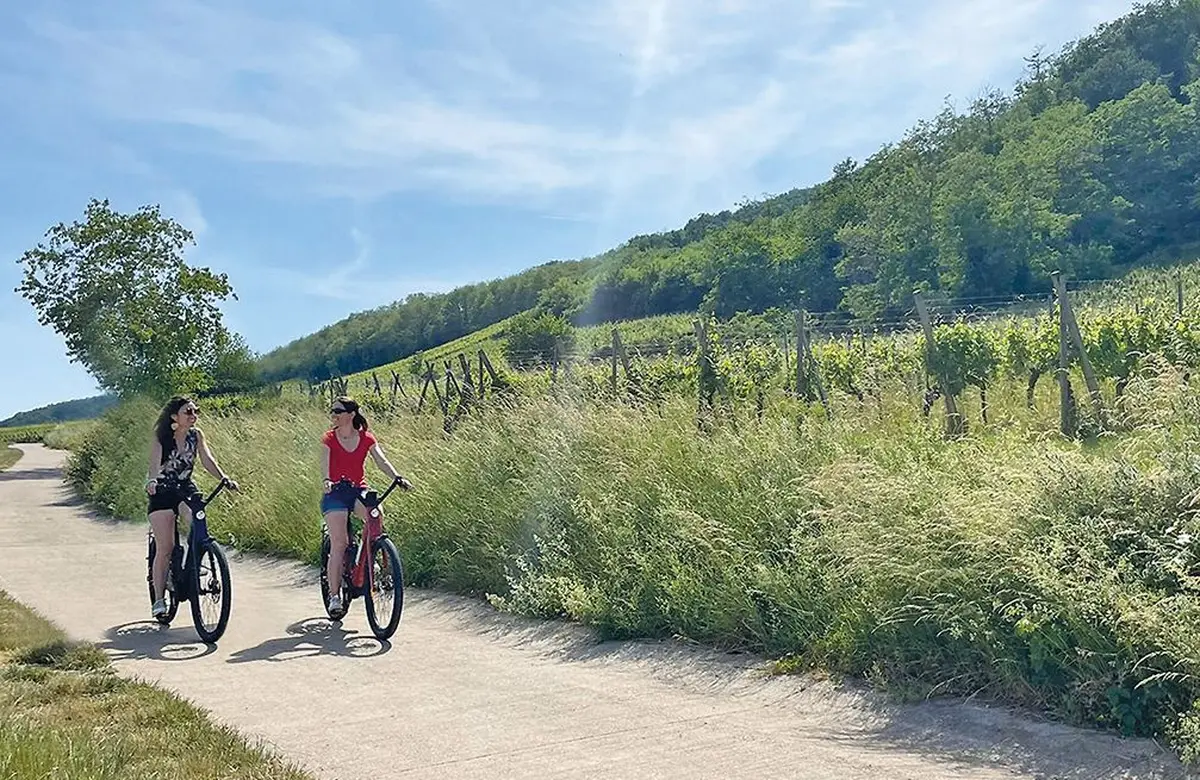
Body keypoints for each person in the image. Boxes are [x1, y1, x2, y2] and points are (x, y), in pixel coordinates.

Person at [145, 396, 239, 619]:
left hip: (185, 488)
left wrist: (224, 478)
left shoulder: (196, 436)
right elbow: (154, 465)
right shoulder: (161, 436)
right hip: (162, 491)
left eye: (196, 411)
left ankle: (194, 564)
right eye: (188, 411)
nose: (193, 415)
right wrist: (152, 481)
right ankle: (159, 599)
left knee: (197, 522)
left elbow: (207, 460)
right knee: (165, 547)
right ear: (174, 416)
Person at [321, 396, 411, 617]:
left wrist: (397, 477)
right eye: (333, 411)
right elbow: (324, 464)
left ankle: (370, 557)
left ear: (351, 414)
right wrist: (326, 480)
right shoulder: (329, 439)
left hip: (356, 490)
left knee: (375, 515)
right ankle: (334, 596)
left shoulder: (366, 438)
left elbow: (381, 461)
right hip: (334, 493)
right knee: (339, 542)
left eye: (338, 411)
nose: (334, 415)